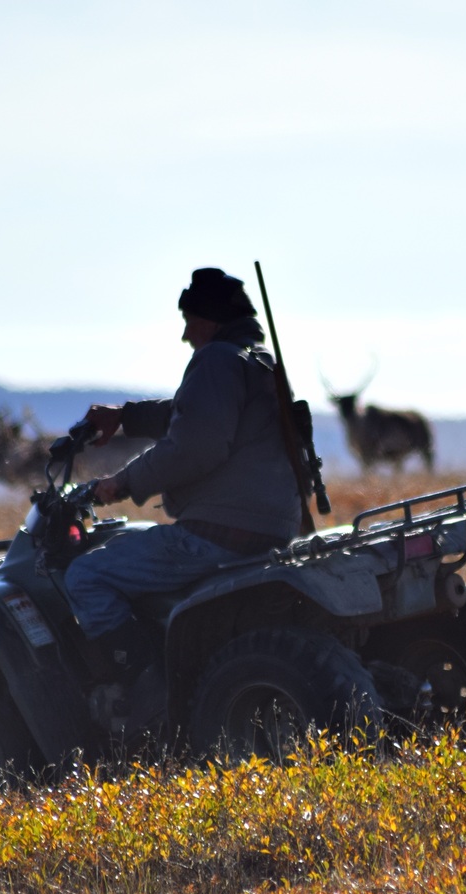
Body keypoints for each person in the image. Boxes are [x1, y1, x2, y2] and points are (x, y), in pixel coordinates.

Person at [64, 267, 302, 690]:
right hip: (270, 529)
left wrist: (121, 483)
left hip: (217, 535)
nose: (186, 335)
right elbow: (192, 413)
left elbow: (197, 445)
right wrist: (125, 418)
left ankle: (146, 690)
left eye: (189, 322)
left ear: (208, 321)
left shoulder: (215, 359)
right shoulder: (255, 362)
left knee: (86, 576)